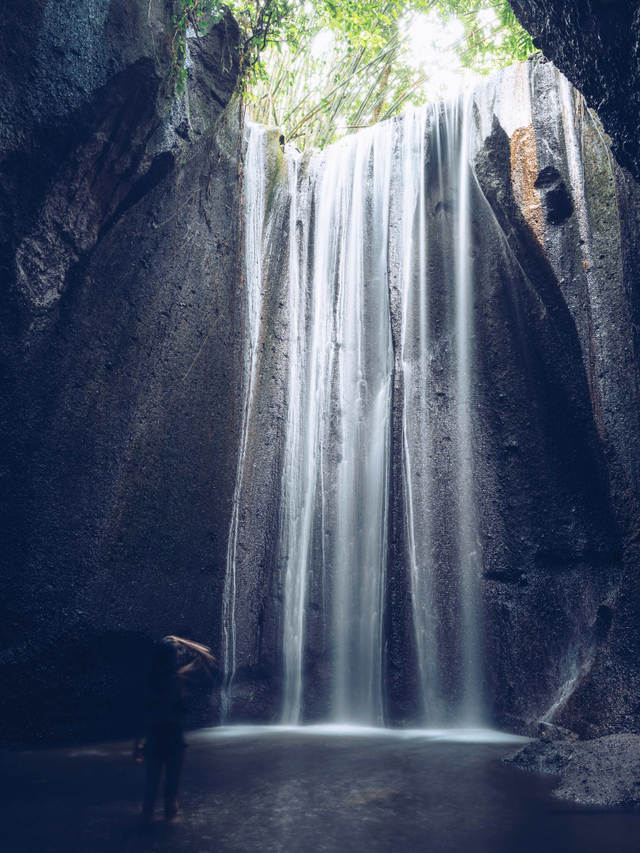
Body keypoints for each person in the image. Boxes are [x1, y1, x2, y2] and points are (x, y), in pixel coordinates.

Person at [132, 635, 217, 821]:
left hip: (153, 739)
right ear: (173, 658)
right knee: (171, 794)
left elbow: (144, 715)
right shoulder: (178, 678)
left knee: (150, 793)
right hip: (173, 738)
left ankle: (147, 838)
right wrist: (183, 641)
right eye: (178, 653)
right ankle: (169, 834)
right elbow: (207, 656)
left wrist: (137, 744)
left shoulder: (150, 682)